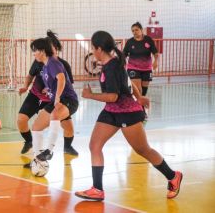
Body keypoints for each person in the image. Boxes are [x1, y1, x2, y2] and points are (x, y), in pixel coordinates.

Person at [75, 31, 182, 201]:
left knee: (142, 150)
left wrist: (90, 95)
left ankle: (173, 176)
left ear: (99, 49)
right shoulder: (113, 62)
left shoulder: (111, 67)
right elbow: (129, 82)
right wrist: (139, 96)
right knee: (94, 145)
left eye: (93, 47)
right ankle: (97, 189)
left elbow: (113, 96)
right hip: (111, 112)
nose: (92, 50)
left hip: (127, 112)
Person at [17, 30, 78, 156]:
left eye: (35, 50)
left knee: (62, 124)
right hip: (43, 97)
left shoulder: (54, 63)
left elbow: (62, 79)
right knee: (35, 127)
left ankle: (49, 151)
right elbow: (35, 77)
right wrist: (27, 87)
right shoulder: (44, 65)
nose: (33, 53)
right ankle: (38, 156)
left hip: (63, 99)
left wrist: (57, 97)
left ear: (45, 50)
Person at [123, 22, 159, 97]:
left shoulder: (148, 40)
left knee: (144, 90)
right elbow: (124, 55)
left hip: (147, 68)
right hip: (133, 68)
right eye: (132, 31)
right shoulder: (130, 42)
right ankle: (136, 105)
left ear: (141, 30)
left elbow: (155, 52)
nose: (134, 32)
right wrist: (120, 64)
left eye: (136, 30)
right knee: (138, 89)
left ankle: (140, 104)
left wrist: (156, 61)